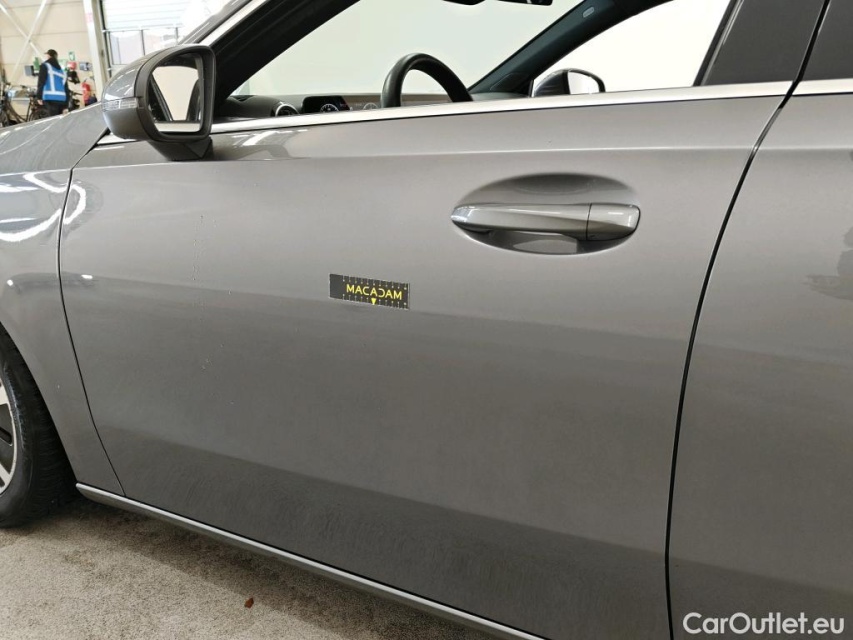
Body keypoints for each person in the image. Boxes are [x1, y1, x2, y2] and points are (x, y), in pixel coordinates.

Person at [36, 49, 67, 117]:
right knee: (61, 120)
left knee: (54, 120)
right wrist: (66, 105)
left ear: (49, 56)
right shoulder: (62, 71)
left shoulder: (45, 66)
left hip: (50, 99)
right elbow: (66, 88)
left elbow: (41, 81)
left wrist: (39, 96)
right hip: (62, 99)